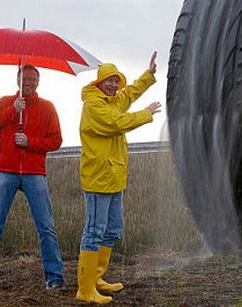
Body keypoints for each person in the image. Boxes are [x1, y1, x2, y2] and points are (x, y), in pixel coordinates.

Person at [76, 52, 162, 304]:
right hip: (98, 177)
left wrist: (149, 75)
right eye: (109, 81)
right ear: (98, 83)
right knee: (94, 231)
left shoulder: (113, 100)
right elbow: (115, 124)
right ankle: (85, 288)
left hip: (114, 176)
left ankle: (96, 279)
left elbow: (130, 94)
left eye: (117, 81)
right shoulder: (95, 105)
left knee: (112, 230)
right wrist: (146, 114)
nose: (114, 86)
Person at [0, 65, 66, 294]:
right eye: (25, 78)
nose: (29, 82)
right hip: (4, 171)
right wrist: (12, 111)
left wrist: (30, 142)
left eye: (33, 79)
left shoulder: (47, 107)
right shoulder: (5, 102)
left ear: (38, 82)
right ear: (17, 80)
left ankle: (54, 278)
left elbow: (56, 141)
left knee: (47, 227)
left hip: (35, 173)